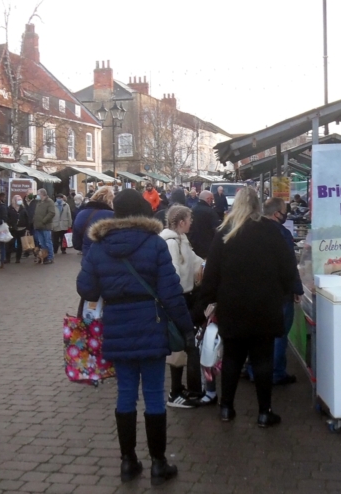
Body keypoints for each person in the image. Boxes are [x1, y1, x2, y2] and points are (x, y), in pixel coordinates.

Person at [77, 189, 193, 486]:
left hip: (117, 326)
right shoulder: (154, 244)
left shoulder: (99, 246)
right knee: (154, 395)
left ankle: (128, 462)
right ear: (142, 212)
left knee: (125, 393)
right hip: (151, 326)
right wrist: (186, 328)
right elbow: (170, 292)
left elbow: (86, 289)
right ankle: (158, 463)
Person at [197, 187, 297, 428]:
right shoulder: (272, 231)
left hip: (231, 306)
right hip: (265, 305)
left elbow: (211, 275)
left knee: (232, 358)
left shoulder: (224, 233)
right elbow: (288, 268)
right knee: (263, 360)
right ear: (258, 206)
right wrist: (284, 291)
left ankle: (226, 408)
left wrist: (206, 304)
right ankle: (264, 412)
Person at [160, 205, 212, 409]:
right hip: (178, 300)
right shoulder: (171, 242)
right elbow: (173, 274)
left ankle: (185, 390)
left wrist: (207, 265)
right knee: (185, 343)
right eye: (189, 219)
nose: (191, 223)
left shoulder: (181, 239)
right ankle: (177, 392)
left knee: (186, 344)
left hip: (185, 298)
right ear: (181, 222)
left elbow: (194, 261)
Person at [264, 198, 304, 386]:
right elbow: (289, 264)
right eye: (283, 211)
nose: (285, 214)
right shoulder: (282, 233)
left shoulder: (254, 230)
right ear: (276, 214)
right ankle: (276, 372)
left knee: (263, 334)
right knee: (279, 334)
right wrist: (297, 288)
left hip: (261, 290)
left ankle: (257, 370)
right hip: (281, 291)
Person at [72, 186, 114, 258]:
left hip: (88, 256)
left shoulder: (81, 214)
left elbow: (76, 244)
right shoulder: (112, 215)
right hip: (107, 258)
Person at [187, 190, 220, 259]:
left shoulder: (191, 209)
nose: (213, 201)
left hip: (193, 243)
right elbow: (217, 228)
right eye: (212, 199)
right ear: (208, 199)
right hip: (207, 245)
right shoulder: (210, 212)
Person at [32, 189, 56, 264]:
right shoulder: (39, 202)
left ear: (42, 194)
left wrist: (43, 221)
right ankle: (44, 257)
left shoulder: (49, 202)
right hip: (38, 226)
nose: (37, 195)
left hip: (46, 226)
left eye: (38, 194)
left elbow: (51, 213)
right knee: (42, 243)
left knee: (48, 242)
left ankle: (50, 257)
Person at [7, 194, 29, 264]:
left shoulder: (23, 208)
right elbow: (7, 217)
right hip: (12, 228)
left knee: (20, 244)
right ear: (14, 200)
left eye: (20, 199)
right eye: (18, 199)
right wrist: (11, 224)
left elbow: (27, 218)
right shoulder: (10, 208)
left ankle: (18, 258)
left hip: (22, 229)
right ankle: (8, 258)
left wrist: (27, 228)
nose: (19, 201)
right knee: (10, 243)